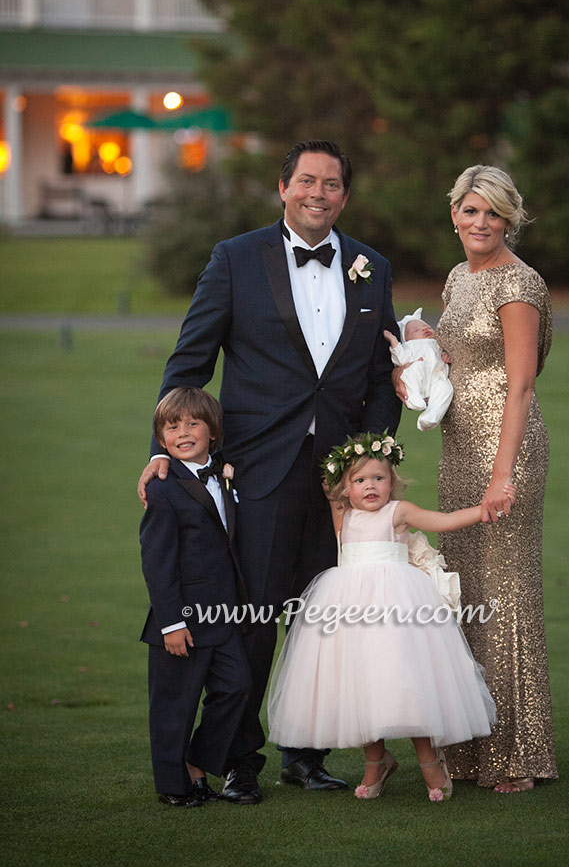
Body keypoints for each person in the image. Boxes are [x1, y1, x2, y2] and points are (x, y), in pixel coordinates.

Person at [137, 139, 402, 803]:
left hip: (340, 483)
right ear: (282, 187)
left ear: (345, 194)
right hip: (255, 471)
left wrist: (367, 455)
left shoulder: (372, 266)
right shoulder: (235, 258)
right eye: (307, 180)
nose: (319, 193)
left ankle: (306, 754)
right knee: (252, 622)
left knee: (323, 621)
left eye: (332, 183)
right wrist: (165, 448)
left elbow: (379, 376)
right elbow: (189, 361)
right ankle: (236, 758)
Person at [396, 164, 557, 793]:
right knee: (464, 594)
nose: (480, 223)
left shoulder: (518, 284)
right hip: (459, 447)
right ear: (454, 216)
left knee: (507, 595)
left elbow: (519, 384)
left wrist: (502, 474)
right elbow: (456, 357)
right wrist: (415, 360)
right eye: (470, 211)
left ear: (510, 218)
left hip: (504, 449)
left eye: (492, 212)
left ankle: (518, 754)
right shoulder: (459, 277)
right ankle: (468, 749)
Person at [267, 431, 515, 802]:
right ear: (345, 489)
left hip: (399, 612)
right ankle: (376, 761)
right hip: (348, 611)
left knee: (406, 682)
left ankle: (430, 760)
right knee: (361, 685)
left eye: (379, 478)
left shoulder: (398, 513)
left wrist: (480, 512)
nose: (370, 487)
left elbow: (440, 521)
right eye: (360, 480)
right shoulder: (343, 516)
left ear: (392, 482)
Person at [139, 387, 252, 807]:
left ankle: (198, 761)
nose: (183, 433)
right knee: (175, 705)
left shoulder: (225, 473)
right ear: (162, 439)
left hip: (222, 613)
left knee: (237, 688)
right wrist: (172, 623)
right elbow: (158, 563)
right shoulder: (163, 490)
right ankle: (174, 785)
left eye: (192, 424)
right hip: (181, 619)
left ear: (212, 431)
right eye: (172, 427)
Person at [383, 308, 454, 431]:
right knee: (416, 367)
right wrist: (394, 342)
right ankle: (413, 397)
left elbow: (444, 354)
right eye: (415, 330)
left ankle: (431, 416)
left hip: (436, 379)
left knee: (446, 388)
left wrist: (445, 355)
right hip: (417, 379)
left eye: (427, 327)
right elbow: (401, 359)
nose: (424, 329)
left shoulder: (436, 344)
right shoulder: (410, 347)